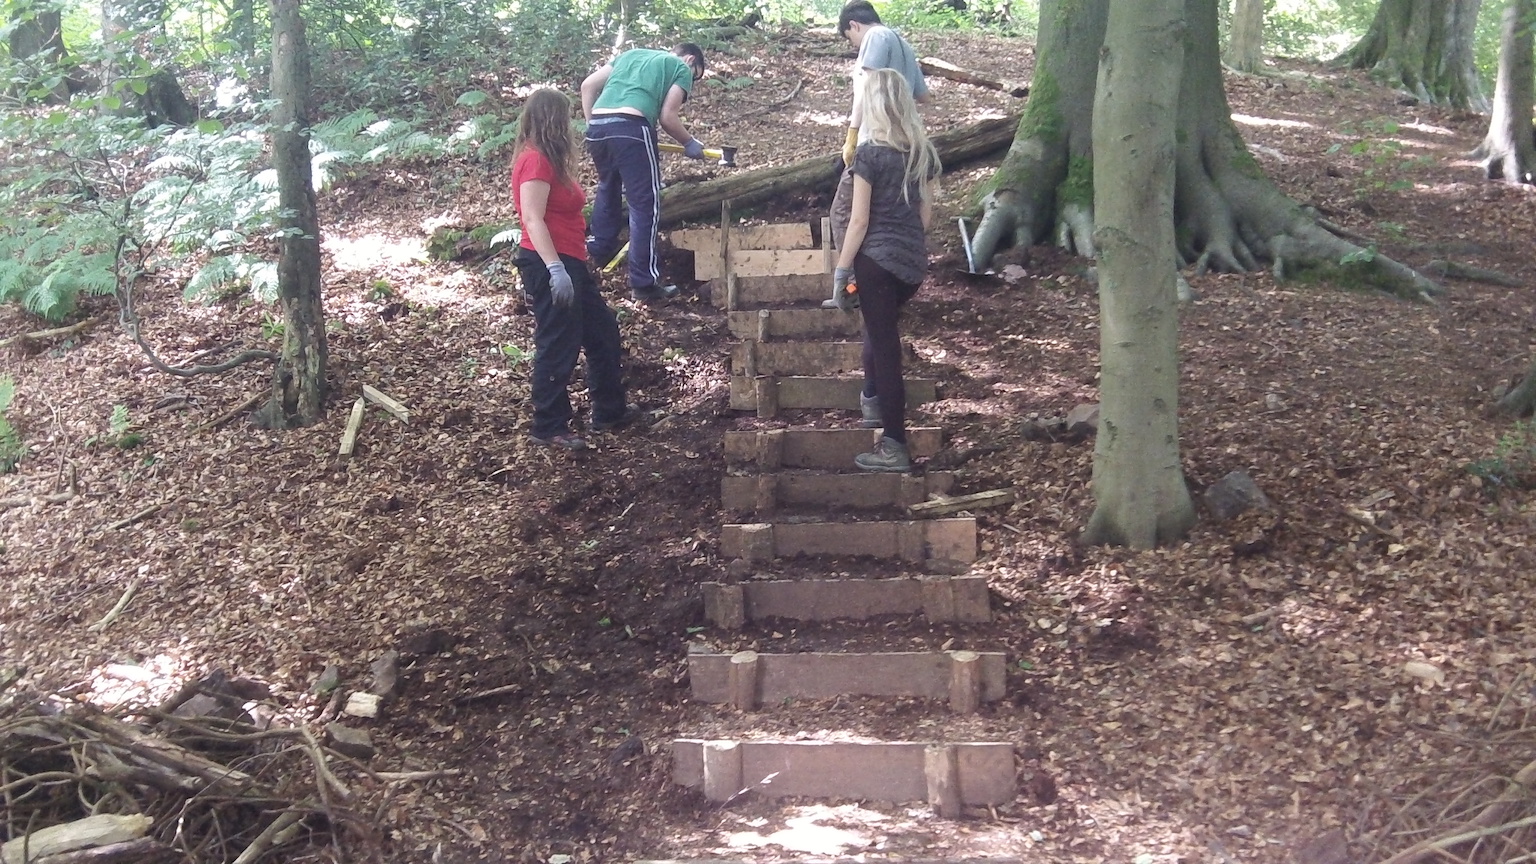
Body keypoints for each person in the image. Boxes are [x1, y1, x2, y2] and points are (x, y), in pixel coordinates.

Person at [511, 88, 640, 451]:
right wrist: (555, 269)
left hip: (570, 260)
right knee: (558, 342)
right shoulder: (535, 160)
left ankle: (609, 411)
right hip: (548, 260)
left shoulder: (549, 160)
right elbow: (532, 219)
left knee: (602, 332)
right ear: (552, 119)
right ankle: (548, 425)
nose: (569, 125)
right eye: (564, 118)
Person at [829, 69, 941, 473]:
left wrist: (842, 271)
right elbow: (924, 216)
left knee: (886, 345)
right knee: (878, 330)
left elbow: (857, 222)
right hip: (910, 266)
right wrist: (903, 245)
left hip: (874, 261)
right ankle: (873, 399)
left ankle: (894, 444)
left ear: (872, 105)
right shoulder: (921, 153)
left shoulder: (869, 155)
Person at [580, 43, 709, 303]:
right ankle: (644, 283)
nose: (690, 84)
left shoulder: (630, 55)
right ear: (690, 59)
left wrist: (592, 123)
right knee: (644, 203)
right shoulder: (679, 67)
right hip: (632, 128)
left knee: (608, 186)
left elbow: (587, 86)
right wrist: (689, 142)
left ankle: (598, 251)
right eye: (695, 76)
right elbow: (668, 118)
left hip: (598, 127)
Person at [836, 0, 929, 170]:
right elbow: (924, 96)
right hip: (906, 137)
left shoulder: (875, 35)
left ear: (854, 25)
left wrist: (853, 133)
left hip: (877, 137)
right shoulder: (904, 45)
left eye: (850, 38)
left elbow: (868, 87)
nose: (855, 45)